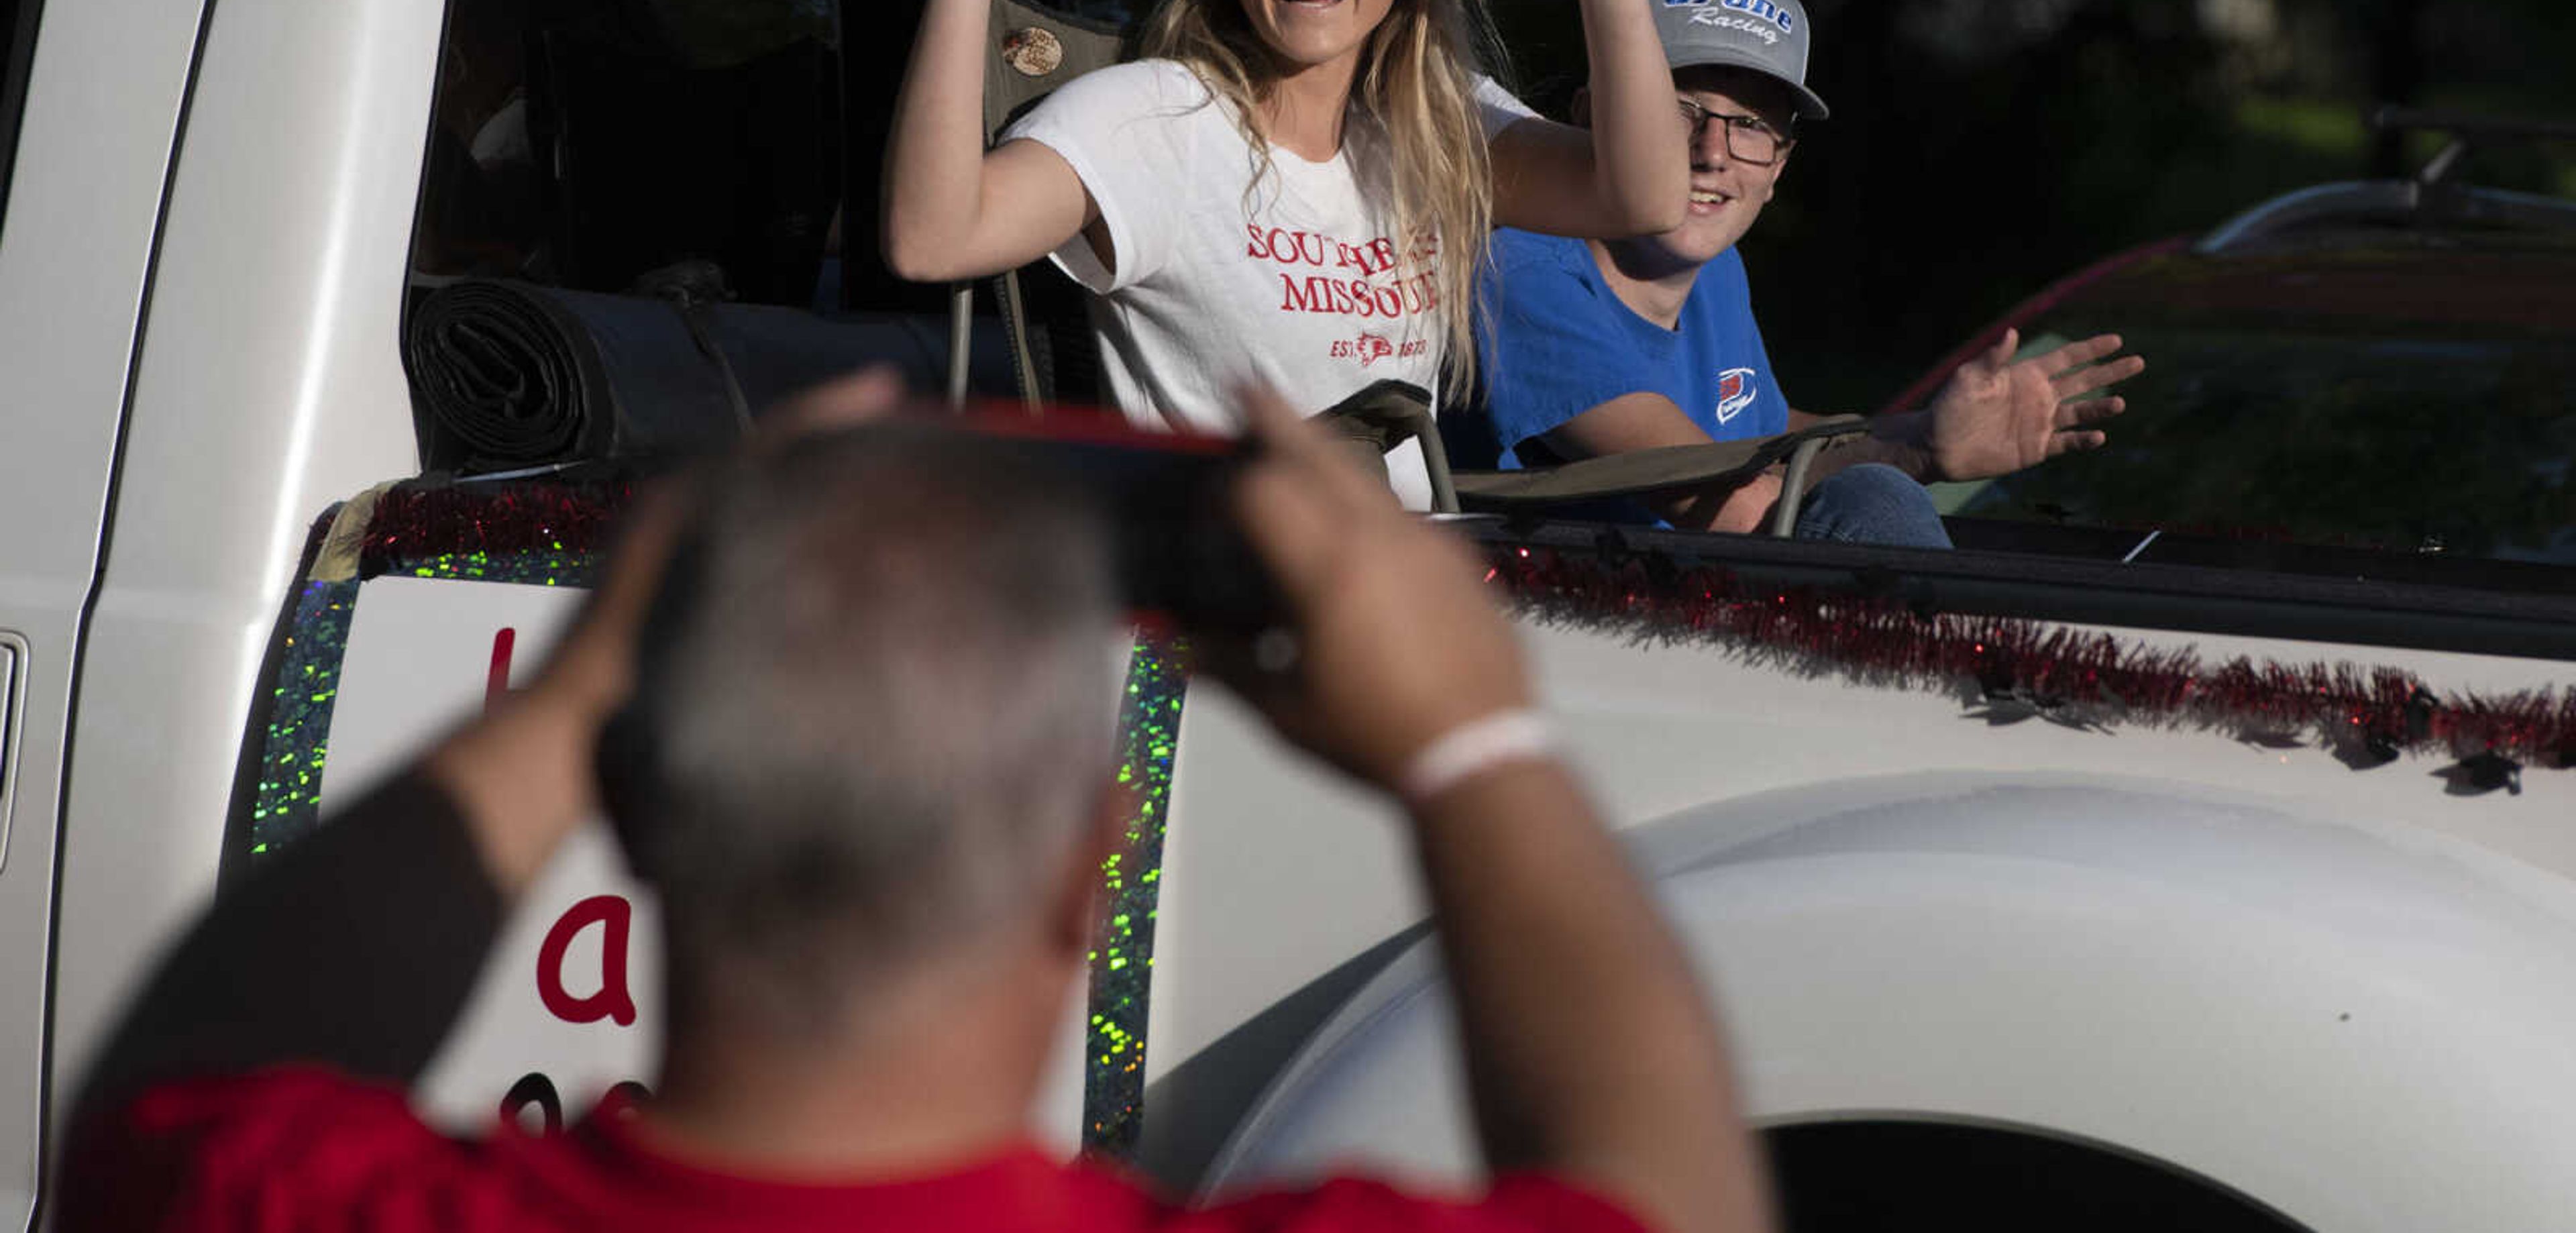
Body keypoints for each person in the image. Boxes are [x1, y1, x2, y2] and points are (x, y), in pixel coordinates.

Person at [62, 370, 1778, 1233]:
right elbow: (1662, 1191)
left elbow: (186, 1073)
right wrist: (1471, 738)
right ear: (1086, 871)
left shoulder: (283, 1192)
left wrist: (585, 683)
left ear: (641, 811)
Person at [839, 0, 1690, 504]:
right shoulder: (1153, 118)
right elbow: (931, 239)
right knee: (1146, 700)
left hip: (1385, 604)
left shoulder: (1434, 120)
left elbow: (1646, 196)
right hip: (1195, 623)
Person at [1474, 0, 2143, 544]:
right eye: (1678, 109)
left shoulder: (1714, 272)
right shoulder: (1526, 271)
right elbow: (1728, 501)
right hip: (1562, 659)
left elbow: (1756, 445)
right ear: (1592, 117)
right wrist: (1901, 460)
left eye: (1750, 126)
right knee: (1873, 499)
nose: (1711, 154)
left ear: (1779, 167)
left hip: (1693, 634)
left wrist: (1924, 436)